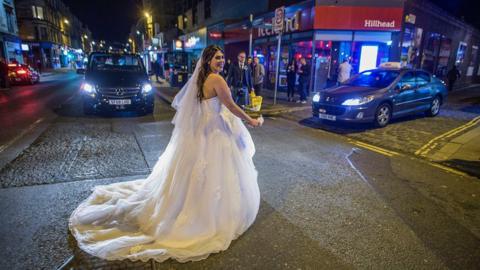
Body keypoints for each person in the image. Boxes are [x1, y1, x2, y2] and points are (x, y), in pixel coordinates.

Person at [69, 45, 263, 263]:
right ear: (208, 59)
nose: (221, 61)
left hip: (201, 132)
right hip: (215, 132)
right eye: (217, 58)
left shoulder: (201, 78)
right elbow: (231, 105)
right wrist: (251, 120)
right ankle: (208, 216)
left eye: (222, 58)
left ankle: (189, 208)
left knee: (193, 174)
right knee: (216, 173)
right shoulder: (217, 80)